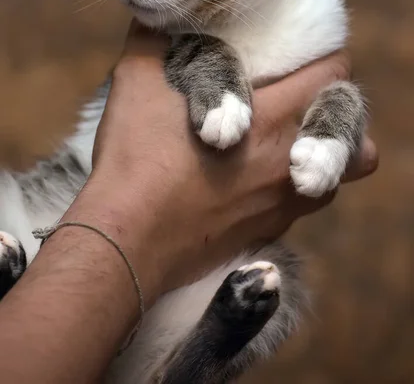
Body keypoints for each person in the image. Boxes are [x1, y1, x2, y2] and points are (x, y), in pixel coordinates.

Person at [0, 22, 377, 384]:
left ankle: (193, 360)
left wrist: (339, 112)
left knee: (281, 276)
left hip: (163, 304)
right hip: (54, 215)